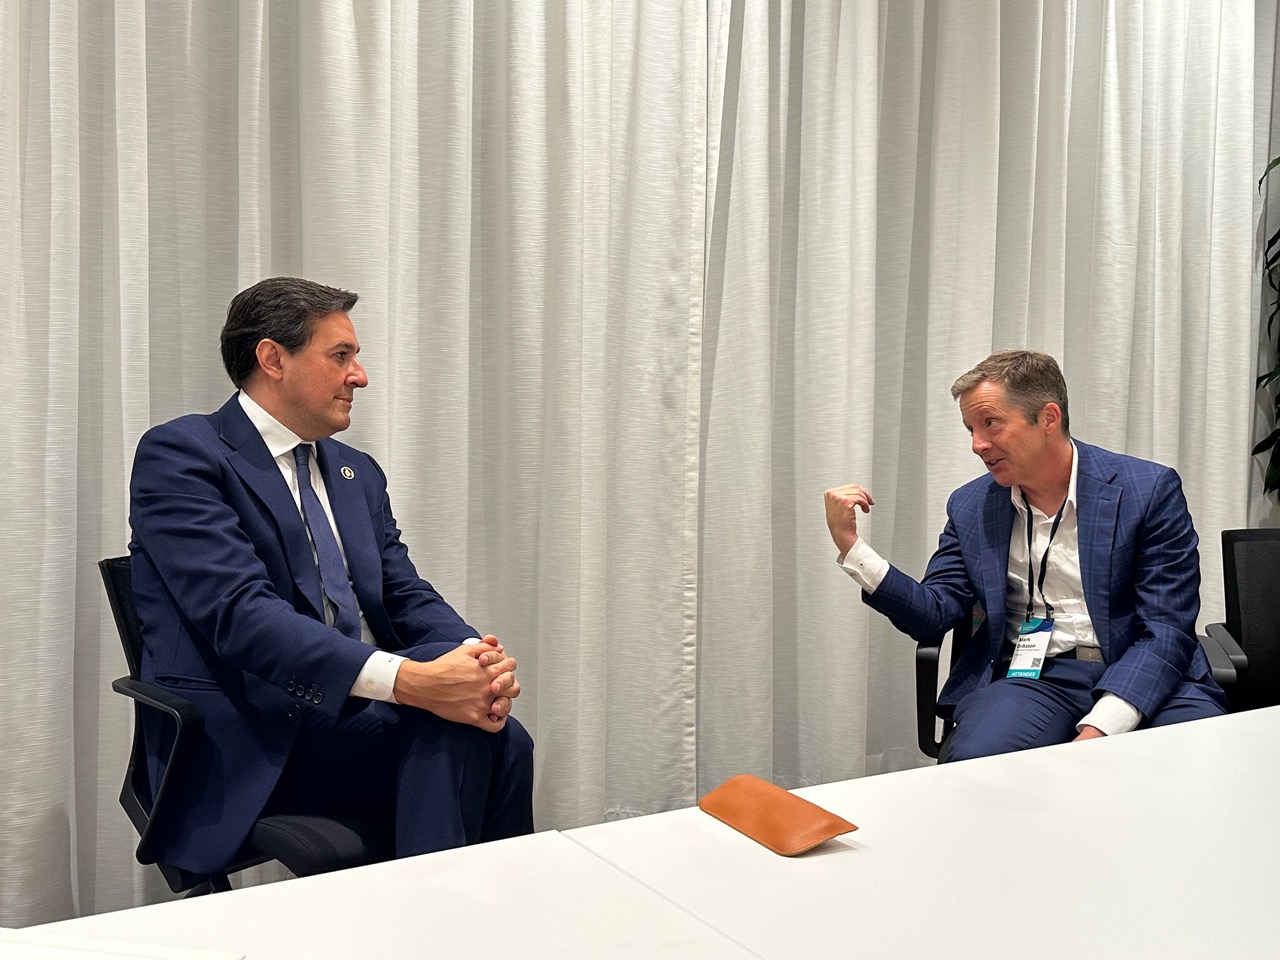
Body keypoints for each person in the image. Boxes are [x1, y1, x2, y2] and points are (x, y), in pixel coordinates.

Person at [128, 277, 534, 877]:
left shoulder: (353, 471)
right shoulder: (184, 456)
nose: (360, 375)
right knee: (466, 733)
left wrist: (473, 662)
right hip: (253, 729)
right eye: (340, 356)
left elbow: (402, 589)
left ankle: (465, 923)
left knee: (496, 728)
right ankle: (439, 923)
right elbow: (242, 618)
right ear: (273, 359)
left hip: (354, 716)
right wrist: (413, 683)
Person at [823, 350, 1226, 762]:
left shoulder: (1147, 490)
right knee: (974, 770)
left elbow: (1166, 628)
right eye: (971, 429)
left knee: (1195, 767)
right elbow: (935, 613)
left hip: (1146, 668)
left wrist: (1098, 730)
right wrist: (853, 549)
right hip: (1035, 677)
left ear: (1048, 418)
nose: (978, 445)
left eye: (990, 423)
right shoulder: (971, 506)